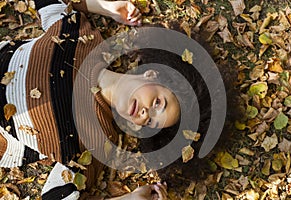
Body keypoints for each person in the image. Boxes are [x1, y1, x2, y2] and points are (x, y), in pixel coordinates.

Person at [0, 0, 179, 199]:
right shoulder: (84, 39)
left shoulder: (97, 141)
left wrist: (127, 199)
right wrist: (105, 7)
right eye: (157, 103)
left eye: (151, 122)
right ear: (151, 74)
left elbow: (57, 196)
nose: (146, 115)